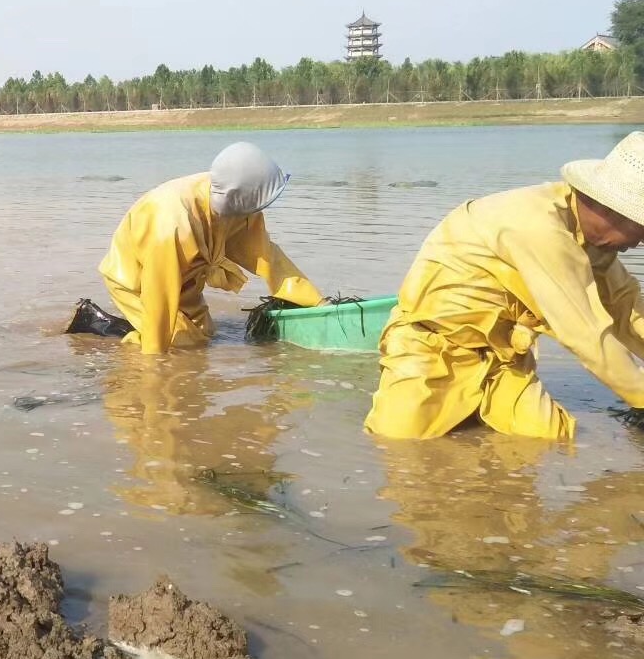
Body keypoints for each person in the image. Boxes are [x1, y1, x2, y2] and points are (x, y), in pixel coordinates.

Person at [366, 131, 644, 441]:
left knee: (551, 442)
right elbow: (587, 334)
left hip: (503, 359)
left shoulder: (594, 242)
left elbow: (628, 311)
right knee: (398, 447)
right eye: (641, 227)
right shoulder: (540, 228)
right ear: (609, 210)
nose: (640, 241)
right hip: (431, 347)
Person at [71, 142, 322, 354]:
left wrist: (318, 303)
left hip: (186, 275)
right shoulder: (172, 224)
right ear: (242, 197)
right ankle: (97, 323)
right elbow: (159, 297)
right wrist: (154, 369)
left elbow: (268, 257)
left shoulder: (236, 203)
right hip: (137, 281)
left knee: (205, 335)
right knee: (179, 342)